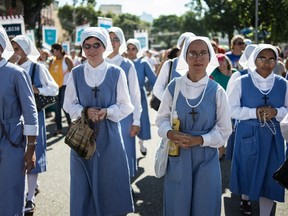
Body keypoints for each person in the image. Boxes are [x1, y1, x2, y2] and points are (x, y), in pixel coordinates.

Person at [156, 36, 232, 215]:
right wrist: (170, 133)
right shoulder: (174, 87)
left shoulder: (217, 91)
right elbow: (161, 119)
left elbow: (225, 129)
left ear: (209, 57)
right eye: (193, 53)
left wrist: (200, 139)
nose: (198, 58)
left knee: (204, 206)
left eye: (203, 53)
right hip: (178, 154)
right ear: (185, 57)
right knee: (177, 206)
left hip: (206, 157)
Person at [63, 27, 134, 215]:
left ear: (104, 47)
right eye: (87, 46)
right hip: (83, 136)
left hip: (109, 137)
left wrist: (107, 111)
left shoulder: (116, 72)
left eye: (96, 45)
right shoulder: (76, 73)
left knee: (109, 182)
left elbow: (127, 105)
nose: (91, 50)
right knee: (82, 183)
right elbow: (68, 104)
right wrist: (84, 111)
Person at [228, 44, 288, 215]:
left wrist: (276, 112)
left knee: (270, 177)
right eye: (262, 58)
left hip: (273, 136)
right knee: (248, 171)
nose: (267, 63)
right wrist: (253, 112)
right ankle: (245, 201)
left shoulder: (283, 84)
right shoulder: (241, 81)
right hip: (248, 133)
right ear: (254, 59)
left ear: (276, 61)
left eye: (271, 59)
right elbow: (231, 109)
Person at [10, 35, 59, 213]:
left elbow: (54, 88)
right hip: (13, 120)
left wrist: (37, 89)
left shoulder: (37, 67)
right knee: (15, 158)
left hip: (33, 117)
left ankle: (29, 199)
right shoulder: (8, 67)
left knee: (33, 155)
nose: (14, 53)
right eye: (12, 49)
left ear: (25, 49)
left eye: (17, 49)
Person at [0, 26, 38, 215]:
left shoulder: (16, 73)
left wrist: (31, 147)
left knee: (11, 188)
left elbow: (30, 112)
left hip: (11, 138)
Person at [106, 26, 142, 178]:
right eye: (109, 39)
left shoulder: (128, 65)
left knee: (125, 153)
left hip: (125, 117)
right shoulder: (98, 63)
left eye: (116, 39)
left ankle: (125, 187)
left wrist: (137, 120)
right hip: (105, 116)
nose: (112, 42)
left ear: (121, 42)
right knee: (106, 156)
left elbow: (135, 94)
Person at [126, 38, 156, 156]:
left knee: (141, 121)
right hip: (125, 97)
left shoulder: (143, 63)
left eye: (133, 49)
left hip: (140, 97)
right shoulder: (123, 63)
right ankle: (129, 150)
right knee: (127, 124)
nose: (130, 51)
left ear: (137, 50)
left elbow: (154, 81)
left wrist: (161, 96)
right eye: (128, 48)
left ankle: (141, 144)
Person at [153, 32, 195, 102]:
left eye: (190, 44)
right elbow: (157, 88)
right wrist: (170, 102)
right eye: (184, 45)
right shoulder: (169, 64)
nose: (187, 47)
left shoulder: (200, 64)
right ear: (180, 47)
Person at [210, 53, 237, 159]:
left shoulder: (235, 73)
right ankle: (221, 152)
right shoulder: (215, 73)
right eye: (219, 64)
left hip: (233, 105)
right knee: (220, 128)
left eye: (223, 62)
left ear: (227, 62)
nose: (222, 65)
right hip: (219, 105)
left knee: (232, 129)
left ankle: (230, 150)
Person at [49, 43, 73, 135]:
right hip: (56, 87)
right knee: (57, 108)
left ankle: (70, 124)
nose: (52, 52)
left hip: (65, 86)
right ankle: (59, 128)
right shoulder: (52, 61)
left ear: (58, 50)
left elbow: (72, 72)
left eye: (53, 50)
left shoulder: (66, 59)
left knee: (64, 105)